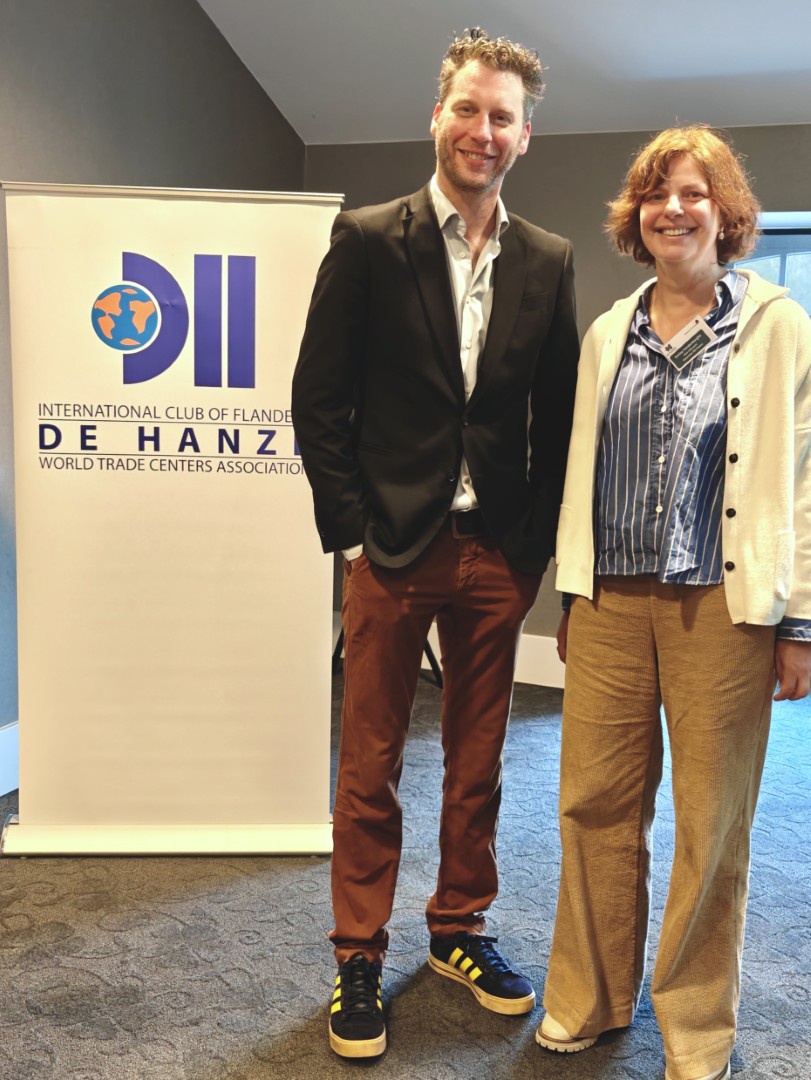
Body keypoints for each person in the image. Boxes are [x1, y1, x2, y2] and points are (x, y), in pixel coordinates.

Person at [292, 27, 578, 1060]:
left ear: (524, 135)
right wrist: (352, 537)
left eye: (503, 116)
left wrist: (533, 548)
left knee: (479, 758)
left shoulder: (547, 258)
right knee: (369, 760)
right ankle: (358, 954)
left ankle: (458, 927)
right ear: (437, 115)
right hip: (393, 550)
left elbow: (558, 415)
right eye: (468, 108)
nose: (482, 130)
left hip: (495, 553)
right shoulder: (370, 238)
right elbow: (318, 399)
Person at [535, 126, 811, 1080]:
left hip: (721, 610)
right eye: (656, 193)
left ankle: (695, 1028)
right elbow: (581, 470)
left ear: (724, 213)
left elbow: (803, 481)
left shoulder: (775, 325)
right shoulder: (608, 332)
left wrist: (799, 621)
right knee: (592, 805)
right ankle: (589, 996)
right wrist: (571, 592)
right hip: (609, 601)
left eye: (693, 193)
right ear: (636, 215)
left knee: (710, 822)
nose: (673, 209)